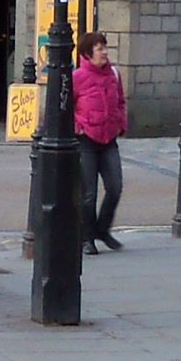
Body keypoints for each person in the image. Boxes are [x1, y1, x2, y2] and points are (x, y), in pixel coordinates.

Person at [74, 30, 127, 253]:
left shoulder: (114, 74)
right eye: (99, 48)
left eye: (105, 47)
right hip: (86, 139)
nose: (104, 52)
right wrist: (77, 127)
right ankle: (87, 238)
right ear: (88, 53)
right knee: (88, 194)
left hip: (109, 138)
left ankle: (102, 229)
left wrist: (121, 123)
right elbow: (65, 107)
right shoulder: (77, 77)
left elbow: (121, 102)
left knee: (115, 187)